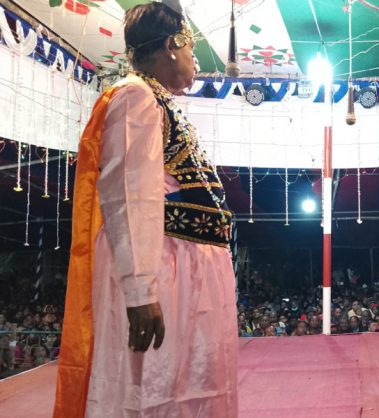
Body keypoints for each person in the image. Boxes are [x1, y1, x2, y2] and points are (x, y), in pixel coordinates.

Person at [53, 3, 238, 417]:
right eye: (192, 50)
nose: (195, 62)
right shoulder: (135, 96)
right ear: (172, 45)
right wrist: (140, 292)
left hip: (186, 272)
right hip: (163, 273)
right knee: (153, 387)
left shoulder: (158, 101)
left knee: (190, 388)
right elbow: (128, 193)